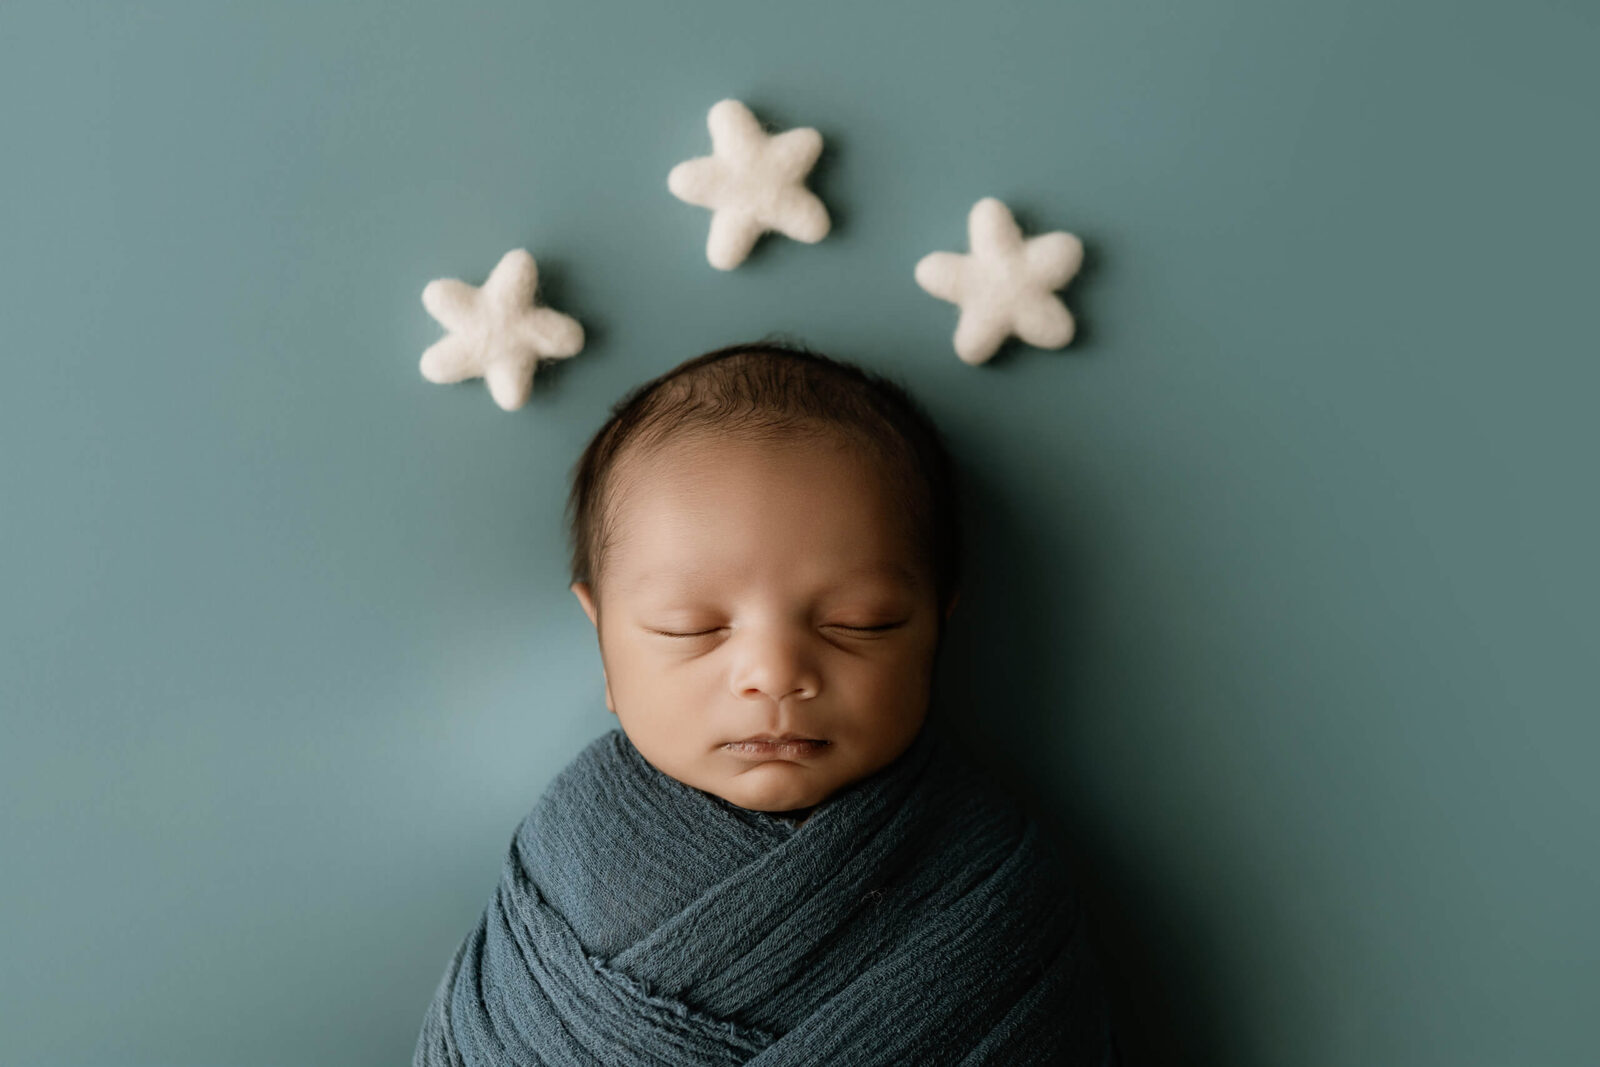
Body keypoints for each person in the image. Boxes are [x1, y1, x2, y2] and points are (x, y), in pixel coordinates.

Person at [413, 338, 1120, 1065]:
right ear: (603, 641)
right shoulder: (570, 848)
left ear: (938, 627)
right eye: (691, 627)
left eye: (859, 622)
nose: (774, 674)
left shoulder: (995, 883)